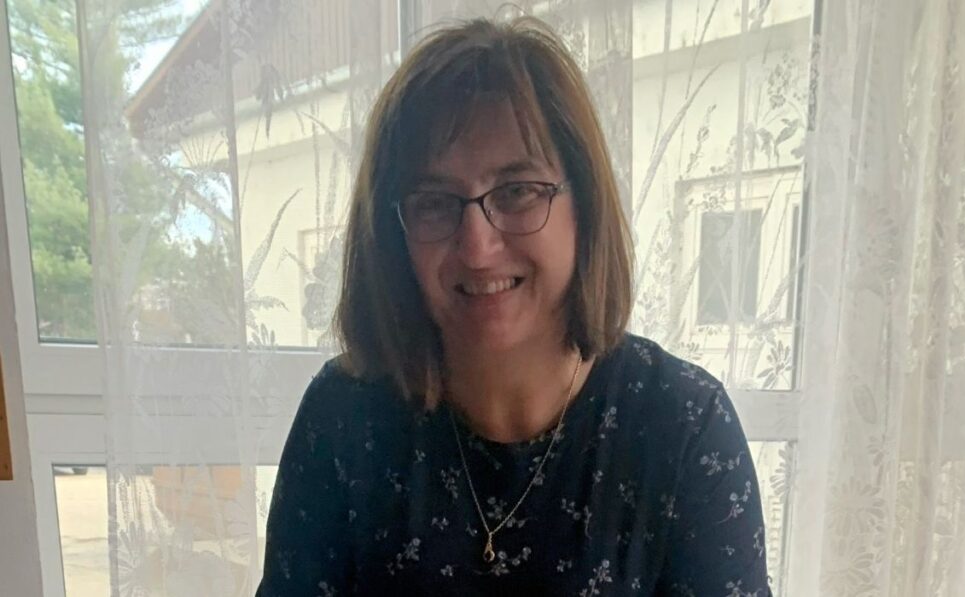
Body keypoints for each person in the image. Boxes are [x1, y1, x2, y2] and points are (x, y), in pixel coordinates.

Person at [256, 17, 771, 597]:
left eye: (518, 191)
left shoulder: (683, 427)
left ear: (584, 204)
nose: (477, 248)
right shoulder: (345, 417)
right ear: (393, 233)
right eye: (434, 202)